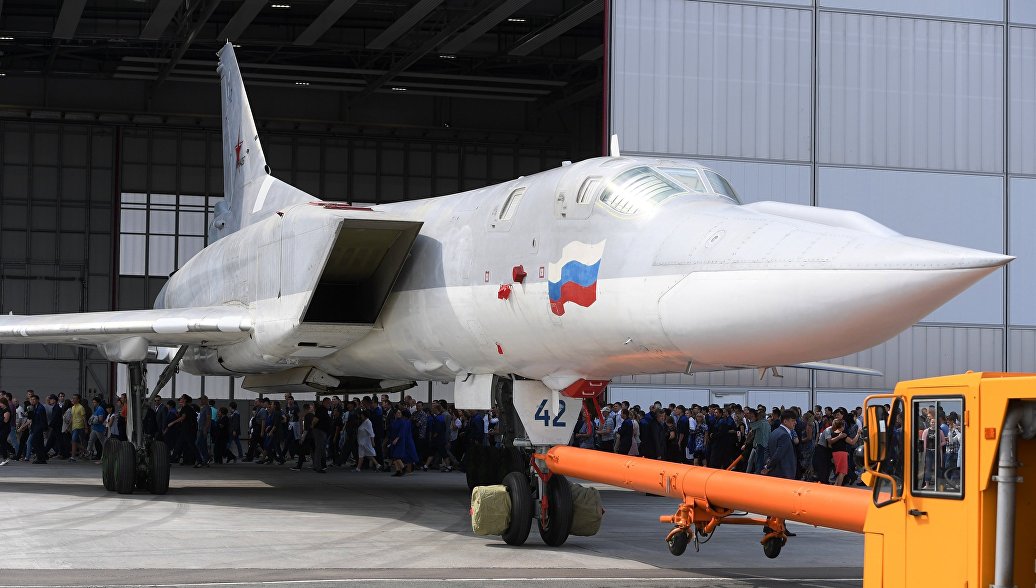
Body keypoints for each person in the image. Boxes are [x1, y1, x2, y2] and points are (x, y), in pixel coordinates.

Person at [762, 410, 798, 480]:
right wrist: (768, 466)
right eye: (793, 420)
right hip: (784, 474)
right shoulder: (784, 435)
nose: (795, 423)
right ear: (785, 421)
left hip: (775, 473)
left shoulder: (774, 432)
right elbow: (778, 455)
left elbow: (766, 450)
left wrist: (768, 462)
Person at [387, 407, 419, 476]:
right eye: (398, 413)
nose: (399, 414)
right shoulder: (393, 421)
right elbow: (391, 430)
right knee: (394, 456)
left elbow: (402, 431)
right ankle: (398, 471)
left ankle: (403, 468)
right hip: (393, 440)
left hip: (400, 440)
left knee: (397, 455)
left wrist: (397, 438)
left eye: (400, 413)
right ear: (394, 414)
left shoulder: (402, 421)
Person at [828, 418, 851, 487]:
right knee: (842, 472)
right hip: (841, 454)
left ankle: (836, 485)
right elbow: (852, 442)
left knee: (840, 471)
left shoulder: (832, 433)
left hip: (836, 453)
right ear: (841, 426)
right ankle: (838, 487)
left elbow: (830, 445)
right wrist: (858, 434)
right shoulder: (842, 434)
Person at [0, 396, 13, 465]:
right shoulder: (2, 409)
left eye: (0, 403)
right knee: (3, 442)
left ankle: (5, 458)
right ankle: (6, 457)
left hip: (5, 429)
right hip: (2, 429)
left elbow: (5, 420)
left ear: (3, 403)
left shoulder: (7, 410)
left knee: (3, 443)